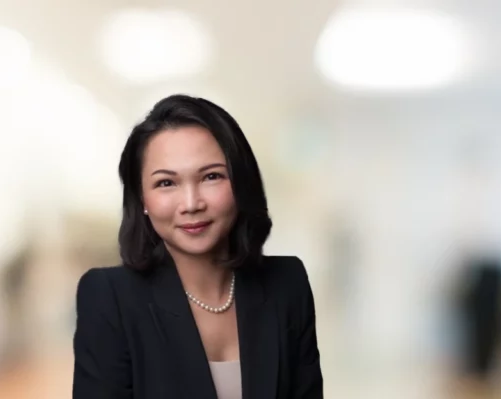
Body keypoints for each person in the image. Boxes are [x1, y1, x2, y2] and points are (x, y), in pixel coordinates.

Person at [72, 94, 324, 399]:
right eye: (166, 183)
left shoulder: (287, 284)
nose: (191, 204)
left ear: (241, 184)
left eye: (211, 176)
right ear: (142, 200)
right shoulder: (108, 298)